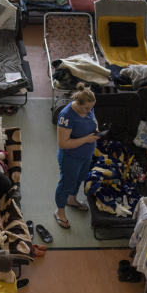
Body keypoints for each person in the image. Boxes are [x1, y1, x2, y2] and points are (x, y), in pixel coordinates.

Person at [54, 84, 98, 229]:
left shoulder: (88, 108)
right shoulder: (66, 116)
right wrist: (86, 139)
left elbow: (92, 121)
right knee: (66, 183)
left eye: (91, 107)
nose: (89, 110)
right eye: (86, 108)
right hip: (70, 157)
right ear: (78, 104)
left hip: (86, 154)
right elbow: (63, 143)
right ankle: (59, 212)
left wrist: (96, 130)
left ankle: (71, 200)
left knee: (79, 179)